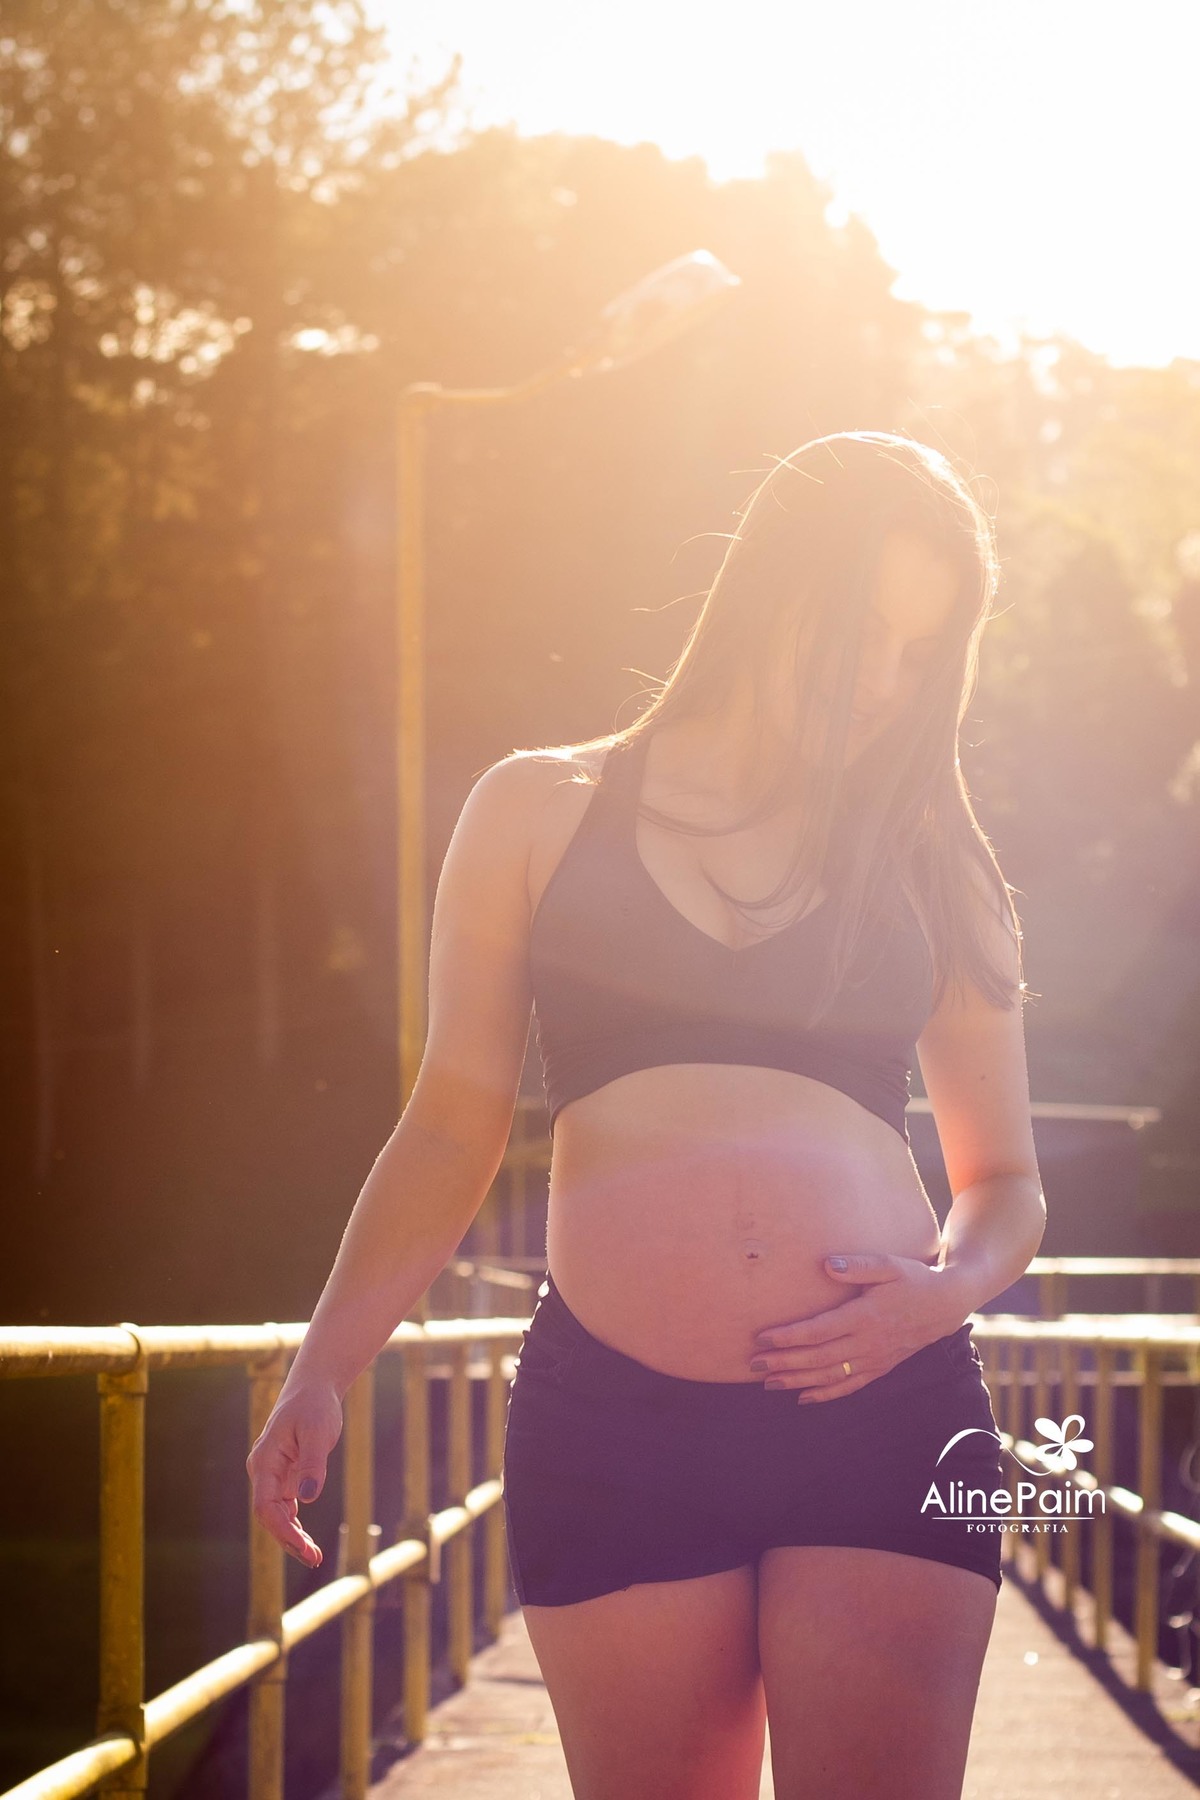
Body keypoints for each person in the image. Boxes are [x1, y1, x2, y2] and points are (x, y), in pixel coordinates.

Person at [247, 430, 1045, 1800]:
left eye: (918, 654)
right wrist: (327, 1359)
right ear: (770, 591)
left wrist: (943, 1296)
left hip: (888, 1408)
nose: (884, 684)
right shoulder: (541, 810)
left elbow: (1007, 1181)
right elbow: (451, 1123)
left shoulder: (929, 854)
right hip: (615, 1429)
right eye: (864, 632)